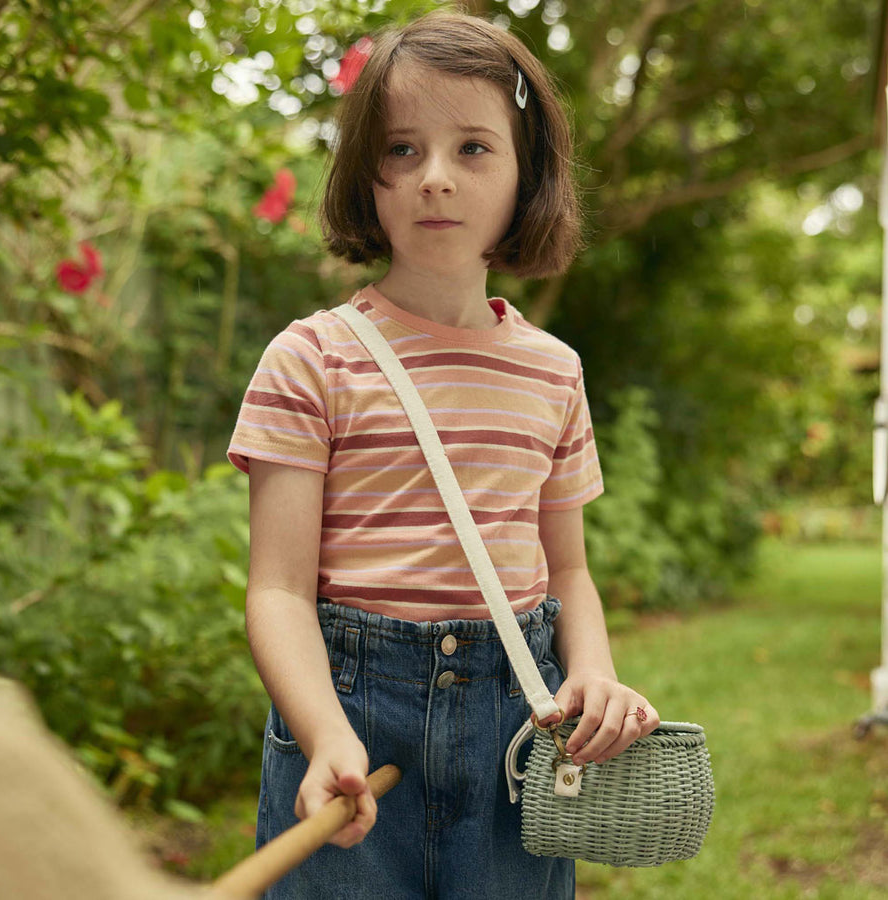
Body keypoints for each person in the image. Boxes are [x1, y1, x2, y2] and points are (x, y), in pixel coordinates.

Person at [227, 11, 660, 899]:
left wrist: (593, 670)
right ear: (366, 176)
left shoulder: (554, 371)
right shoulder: (310, 358)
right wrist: (325, 736)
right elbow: (276, 588)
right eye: (401, 150)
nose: (434, 179)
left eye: (472, 149)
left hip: (513, 734)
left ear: (523, 175)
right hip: (349, 721)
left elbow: (567, 573)